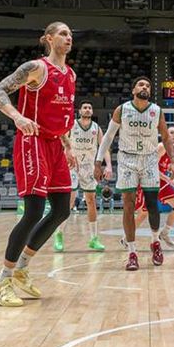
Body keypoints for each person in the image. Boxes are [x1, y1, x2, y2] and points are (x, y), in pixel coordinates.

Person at [0, 22, 77, 307]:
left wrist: (68, 145)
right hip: (33, 140)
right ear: (49, 39)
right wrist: (17, 117)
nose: (68, 37)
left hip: (55, 145)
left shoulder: (71, 74)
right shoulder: (36, 69)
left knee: (62, 209)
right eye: (63, 33)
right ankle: (3, 278)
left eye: (70, 34)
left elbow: (61, 115)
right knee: (34, 210)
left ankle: (23, 268)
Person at [96, 77, 174, 271]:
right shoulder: (122, 110)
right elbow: (108, 137)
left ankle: (155, 242)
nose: (145, 87)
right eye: (141, 85)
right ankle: (132, 252)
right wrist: (98, 162)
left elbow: (166, 138)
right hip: (127, 159)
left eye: (148, 86)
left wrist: (173, 161)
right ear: (133, 89)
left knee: (152, 205)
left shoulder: (156, 111)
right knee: (128, 205)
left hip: (149, 158)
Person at [55, 101, 110, 252]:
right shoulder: (71, 125)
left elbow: (104, 147)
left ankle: (93, 238)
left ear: (92, 112)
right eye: (85, 107)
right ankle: (59, 235)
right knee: (70, 201)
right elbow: (61, 141)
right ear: (80, 111)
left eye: (90, 107)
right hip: (72, 166)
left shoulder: (96, 128)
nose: (87, 109)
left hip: (89, 168)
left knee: (91, 201)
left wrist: (109, 165)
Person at [133, 125, 174, 246]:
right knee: (143, 213)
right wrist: (169, 180)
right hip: (150, 180)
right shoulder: (161, 147)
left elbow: (164, 166)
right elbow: (151, 167)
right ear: (166, 135)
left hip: (161, 181)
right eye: (171, 132)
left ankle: (165, 232)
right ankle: (127, 237)